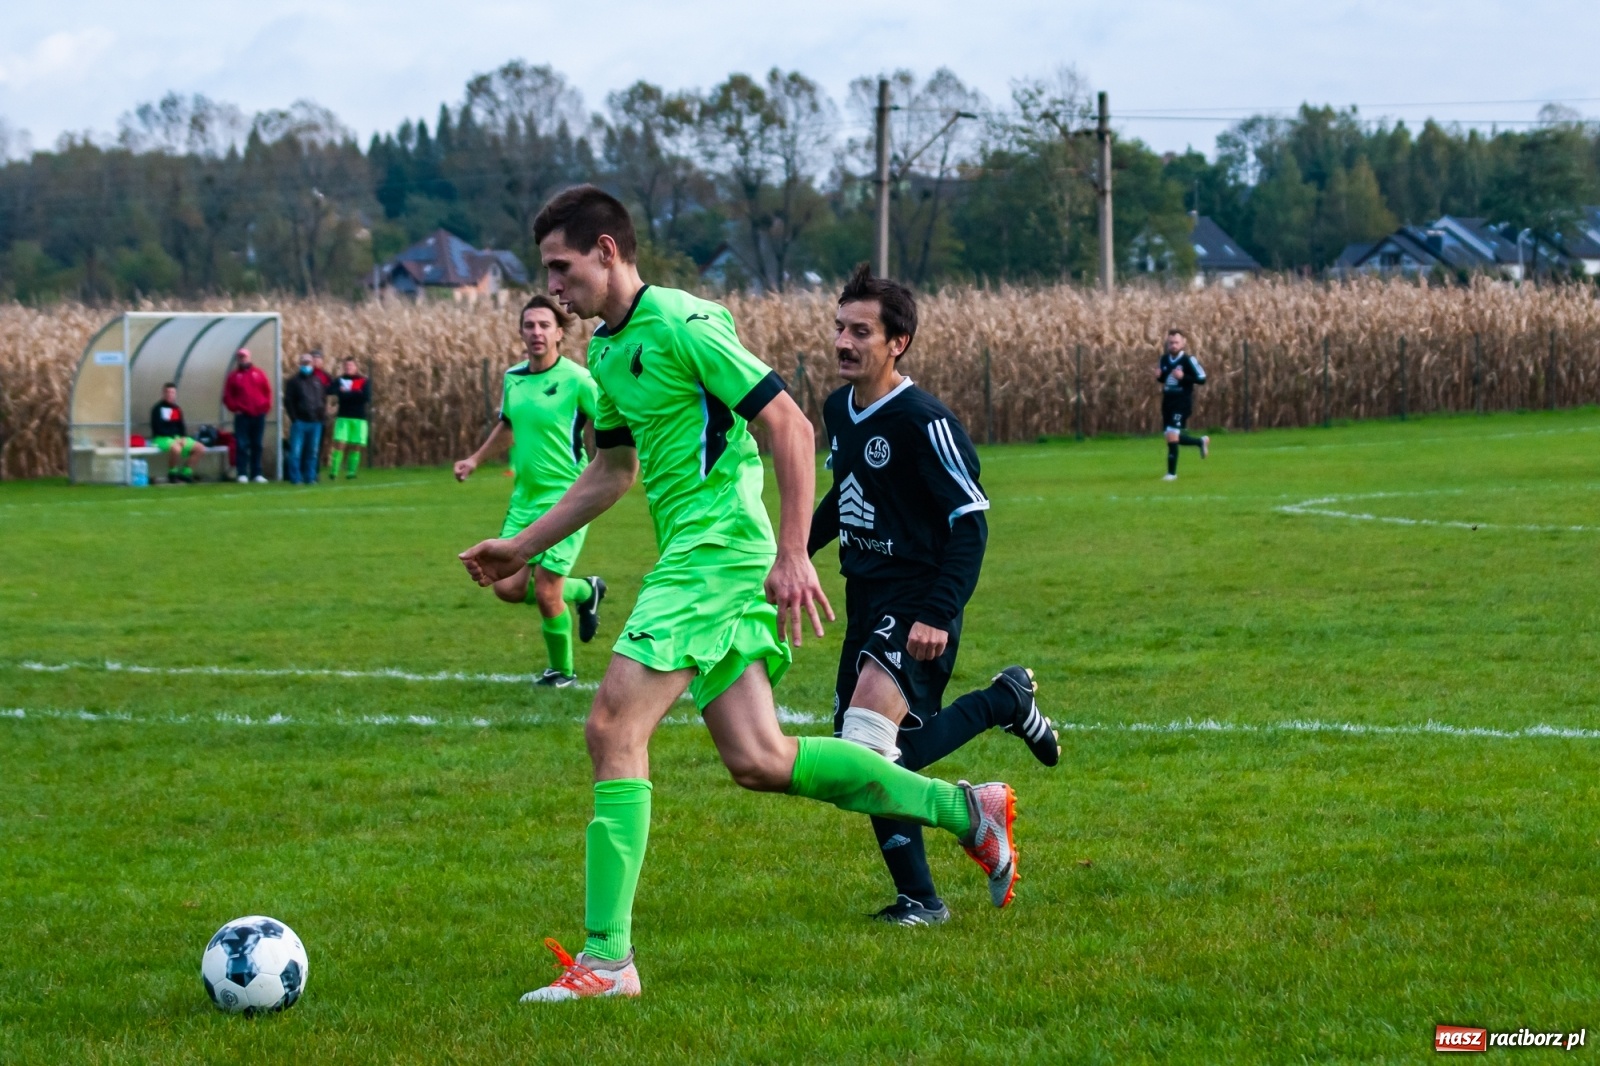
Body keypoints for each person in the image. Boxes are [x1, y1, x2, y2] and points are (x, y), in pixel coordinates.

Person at [459, 185, 1018, 1003]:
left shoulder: (684, 322)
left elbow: (789, 425)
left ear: (607, 252)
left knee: (612, 725)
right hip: (695, 557)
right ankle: (966, 810)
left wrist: (792, 553)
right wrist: (521, 546)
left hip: (717, 554)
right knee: (761, 759)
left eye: (561, 266)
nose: (553, 286)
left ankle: (608, 960)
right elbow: (612, 471)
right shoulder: (608, 352)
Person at [809, 265, 1061, 927]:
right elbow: (848, 495)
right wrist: (793, 554)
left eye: (860, 331)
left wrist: (938, 612)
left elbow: (970, 523)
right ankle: (1002, 703)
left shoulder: (925, 421)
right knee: (871, 763)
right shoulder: (838, 409)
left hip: (917, 596)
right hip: (865, 599)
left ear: (898, 343)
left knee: (865, 748)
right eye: (839, 327)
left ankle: (922, 898)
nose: (842, 342)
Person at [455, 294, 608, 688]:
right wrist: (474, 460)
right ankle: (585, 590)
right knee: (506, 587)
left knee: (545, 590)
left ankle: (562, 672)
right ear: (522, 332)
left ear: (559, 333)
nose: (536, 332)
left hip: (567, 498)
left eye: (544, 325)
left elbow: (613, 420)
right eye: (529, 325)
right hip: (524, 499)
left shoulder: (577, 380)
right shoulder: (514, 378)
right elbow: (508, 426)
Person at [1158, 329, 1209, 480]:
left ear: (1183, 343)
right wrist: (1159, 377)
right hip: (1167, 402)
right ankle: (1200, 442)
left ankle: (1171, 474)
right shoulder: (1164, 359)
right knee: (1170, 436)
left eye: (1176, 342)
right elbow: (1165, 379)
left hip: (1182, 402)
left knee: (1172, 434)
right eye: (1170, 343)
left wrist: (1184, 377)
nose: (1173, 345)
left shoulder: (1188, 360)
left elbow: (1202, 378)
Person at [223, 347, 272, 483]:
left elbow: (267, 391)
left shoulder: (259, 373)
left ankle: (257, 473)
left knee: (257, 444)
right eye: (240, 357)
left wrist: (265, 407)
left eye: (244, 357)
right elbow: (228, 396)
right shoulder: (233, 376)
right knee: (242, 445)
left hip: (258, 414)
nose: (242, 359)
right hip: (242, 415)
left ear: (249, 357)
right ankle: (242, 473)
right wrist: (235, 408)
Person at [149, 383, 206, 483]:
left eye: (172, 393)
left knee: (200, 448)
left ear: (175, 394)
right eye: (168, 392)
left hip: (177, 438)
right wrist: (175, 439)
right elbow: (157, 428)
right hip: (162, 438)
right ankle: (172, 473)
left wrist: (183, 437)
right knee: (176, 448)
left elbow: (181, 426)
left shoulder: (176, 409)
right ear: (163, 394)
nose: (170, 395)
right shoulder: (157, 409)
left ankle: (186, 473)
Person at [284, 352, 327, 485]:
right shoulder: (293, 381)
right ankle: (296, 477)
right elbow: (288, 401)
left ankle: (310, 477)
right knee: (296, 452)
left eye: (308, 363)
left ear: (312, 364)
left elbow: (322, 399)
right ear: (300, 364)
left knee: (312, 452)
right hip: (300, 421)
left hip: (316, 422)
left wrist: (321, 416)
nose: (306, 366)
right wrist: (294, 418)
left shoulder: (317, 380)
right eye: (304, 363)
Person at [328, 358, 372, 480]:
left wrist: (346, 394)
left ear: (356, 367)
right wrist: (354, 393)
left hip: (359, 418)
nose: (348, 367)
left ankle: (351, 472)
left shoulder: (363, 381)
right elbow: (331, 391)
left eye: (351, 365)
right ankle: (334, 471)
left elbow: (365, 397)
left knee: (356, 445)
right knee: (340, 443)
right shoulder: (340, 380)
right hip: (343, 417)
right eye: (346, 365)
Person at [310, 348, 335, 472]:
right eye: (313, 359)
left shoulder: (326, 376)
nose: (316, 361)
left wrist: (331, 407)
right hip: (305, 414)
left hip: (320, 415)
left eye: (318, 359)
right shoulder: (304, 375)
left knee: (317, 444)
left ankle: (315, 470)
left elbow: (335, 390)